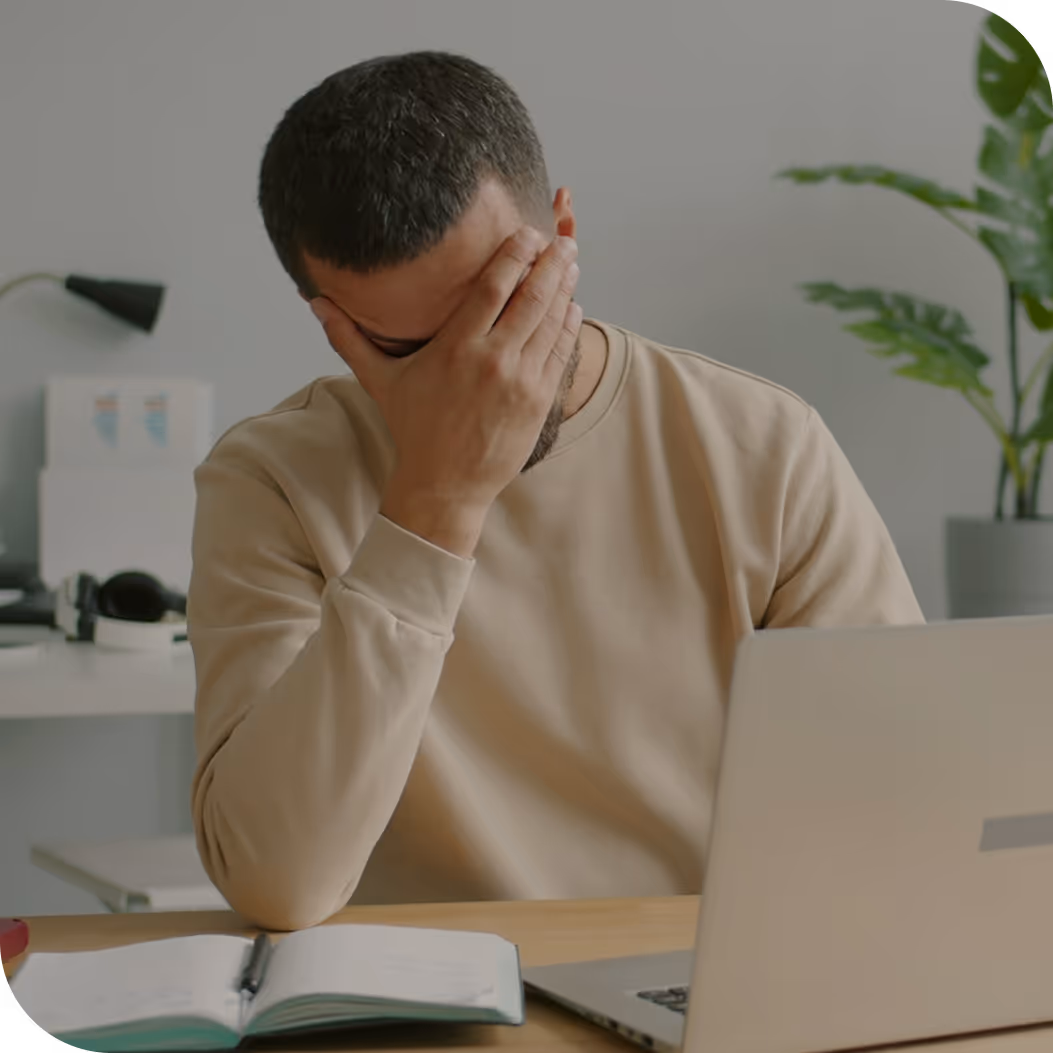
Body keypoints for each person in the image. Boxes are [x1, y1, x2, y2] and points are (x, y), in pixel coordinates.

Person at [187, 50, 924, 932]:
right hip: (426, 1007)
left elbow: (899, 812)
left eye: (499, 309)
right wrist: (435, 501)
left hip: (700, 984)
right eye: (410, 351)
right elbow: (279, 881)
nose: (478, 373)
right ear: (330, 320)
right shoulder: (269, 481)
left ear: (562, 235)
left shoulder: (762, 446)